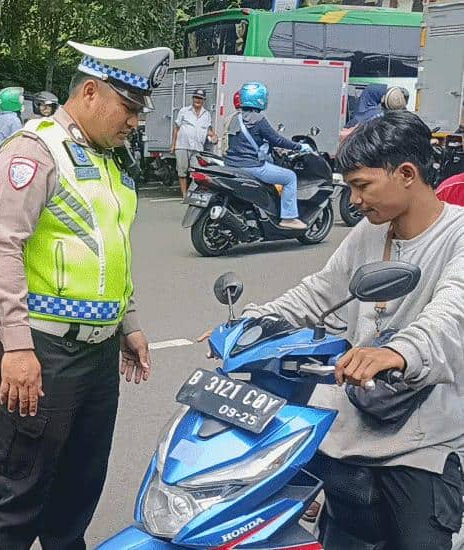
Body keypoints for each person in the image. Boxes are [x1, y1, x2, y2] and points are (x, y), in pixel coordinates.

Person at [211, 111, 464, 549]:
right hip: (351, 421)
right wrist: (252, 323)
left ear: (406, 174)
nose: (354, 199)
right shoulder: (370, 232)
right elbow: (319, 293)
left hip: (425, 439)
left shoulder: (457, 235)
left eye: (362, 185)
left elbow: (452, 313)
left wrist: (399, 352)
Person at [0, 40, 169, 549]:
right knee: (19, 498)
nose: (134, 121)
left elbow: (111, 250)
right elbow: (1, 250)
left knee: (77, 496)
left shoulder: (109, 161)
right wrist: (16, 345)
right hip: (42, 351)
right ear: (90, 92)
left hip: (99, 355)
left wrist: (129, 325)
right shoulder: (33, 151)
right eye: (128, 108)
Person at [225, 81, 312, 230]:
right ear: (260, 98)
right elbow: (277, 140)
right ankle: (289, 218)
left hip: (231, 164)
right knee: (290, 177)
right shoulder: (258, 119)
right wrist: (299, 147)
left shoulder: (236, 118)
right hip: (251, 166)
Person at [171, 89, 217, 197]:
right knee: (182, 171)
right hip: (182, 145)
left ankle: (193, 193)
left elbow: (208, 130)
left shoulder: (206, 114)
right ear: (192, 98)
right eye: (196, 97)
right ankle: (184, 194)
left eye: (200, 98)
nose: (198, 100)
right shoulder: (184, 111)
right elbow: (176, 128)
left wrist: (214, 136)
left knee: (197, 172)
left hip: (197, 148)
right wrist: (173, 145)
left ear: (203, 100)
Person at [0, 86, 25, 162]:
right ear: (13, 102)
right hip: (5, 160)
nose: (22, 102)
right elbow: (18, 143)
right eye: (20, 100)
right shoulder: (14, 120)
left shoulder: (2, 117)